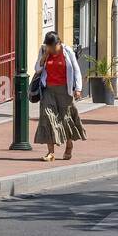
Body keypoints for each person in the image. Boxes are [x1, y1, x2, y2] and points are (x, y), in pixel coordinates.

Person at [33, 33, 86, 161]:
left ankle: (69, 146)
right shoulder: (44, 51)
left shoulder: (67, 52)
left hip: (64, 90)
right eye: (48, 46)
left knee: (65, 119)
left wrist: (78, 89)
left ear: (58, 44)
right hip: (48, 90)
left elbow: (76, 70)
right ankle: (50, 152)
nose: (50, 49)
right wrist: (44, 57)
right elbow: (37, 69)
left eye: (52, 47)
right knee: (47, 118)